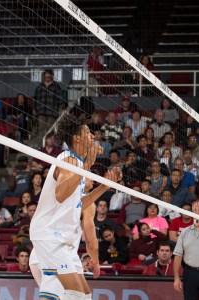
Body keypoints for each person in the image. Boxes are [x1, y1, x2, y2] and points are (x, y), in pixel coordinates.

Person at [29, 113, 120, 299]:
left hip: (62, 238)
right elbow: (60, 194)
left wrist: (104, 186)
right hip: (49, 234)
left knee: (85, 295)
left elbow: (79, 204)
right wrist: (86, 165)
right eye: (88, 132)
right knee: (75, 294)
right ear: (76, 138)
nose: (92, 137)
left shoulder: (77, 163)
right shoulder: (68, 159)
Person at [173, 200, 199, 300]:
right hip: (189, 273)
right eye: (195, 210)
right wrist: (176, 278)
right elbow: (178, 256)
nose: (197, 212)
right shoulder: (184, 232)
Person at [34, 70, 65, 135]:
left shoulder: (56, 86)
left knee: (50, 129)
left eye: (49, 77)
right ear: (44, 77)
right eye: (46, 77)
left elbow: (60, 98)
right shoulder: (39, 87)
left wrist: (62, 108)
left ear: (52, 77)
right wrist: (35, 108)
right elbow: (36, 99)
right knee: (41, 128)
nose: (47, 78)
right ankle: (42, 144)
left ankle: (49, 144)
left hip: (52, 112)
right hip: (41, 111)